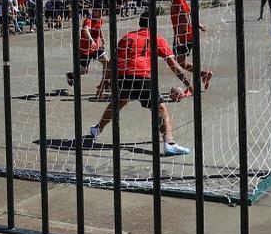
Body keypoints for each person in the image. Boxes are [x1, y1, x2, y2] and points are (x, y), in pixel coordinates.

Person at [85, 11, 199, 156]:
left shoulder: (126, 37)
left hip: (123, 77)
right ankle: (169, 143)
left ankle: (97, 128)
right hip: (142, 77)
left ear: (140, 24)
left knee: (117, 103)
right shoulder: (156, 39)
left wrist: (103, 83)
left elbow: (112, 63)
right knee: (161, 109)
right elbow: (174, 66)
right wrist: (189, 84)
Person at [167, 0, 210, 89]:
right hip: (184, 35)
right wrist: (199, 25)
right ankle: (203, 74)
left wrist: (179, 37)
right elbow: (189, 13)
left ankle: (194, 83)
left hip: (183, 36)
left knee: (178, 63)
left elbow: (185, 18)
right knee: (181, 62)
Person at [66, 6, 107, 89]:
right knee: (84, 71)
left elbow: (99, 29)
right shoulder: (88, 20)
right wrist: (91, 40)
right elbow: (85, 30)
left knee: (106, 61)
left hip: (95, 47)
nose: (100, 13)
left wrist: (102, 39)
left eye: (101, 11)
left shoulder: (100, 20)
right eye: (98, 11)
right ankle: (71, 75)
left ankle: (104, 83)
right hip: (85, 49)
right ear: (94, 11)